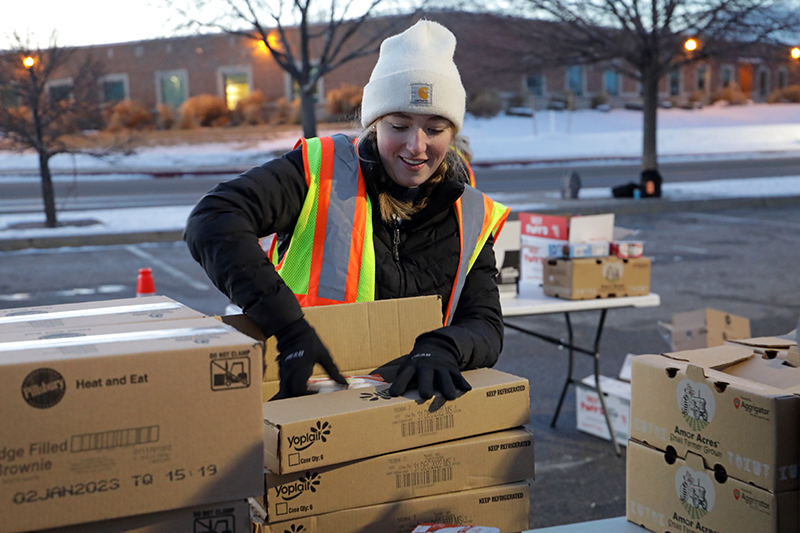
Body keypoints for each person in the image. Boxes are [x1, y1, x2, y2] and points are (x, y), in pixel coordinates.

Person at [184, 19, 510, 401]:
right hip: (306, 401)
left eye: (435, 129)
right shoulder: (319, 171)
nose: (416, 146)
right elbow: (213, 221)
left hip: (405, 411)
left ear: (452, 134)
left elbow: (485, 323)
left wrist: (444, 347)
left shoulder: (468, 211)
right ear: (374, 124)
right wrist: (288, 327)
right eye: (399, 125)